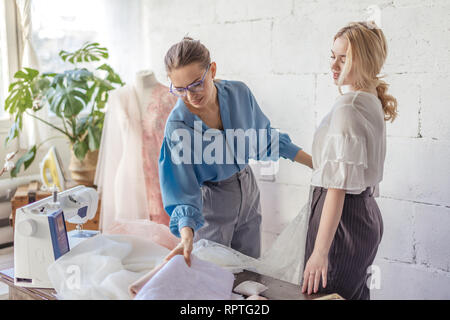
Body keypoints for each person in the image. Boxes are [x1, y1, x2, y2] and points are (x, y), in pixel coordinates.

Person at [159, 37, 313, 266]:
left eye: (196, 84)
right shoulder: (177, 126)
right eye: (180, 90)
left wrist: (315, 163)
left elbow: (265, 139)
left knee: (250, 273)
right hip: (211, 202)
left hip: (248, 189)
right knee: (215, 277)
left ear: (212, 70)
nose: (190, 96)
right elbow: (181, 188)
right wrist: (187, 233)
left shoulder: (239, 93)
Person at [301, 21, 398, 300]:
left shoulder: (350, 105)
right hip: (363, 215)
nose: (334, 65)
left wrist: (320, 253)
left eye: (344, 59)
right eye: (333, 56)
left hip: (340, 222)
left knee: (324, 295)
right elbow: (340, 169)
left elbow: (337, 186)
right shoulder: (371, 100)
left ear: (365, 62)